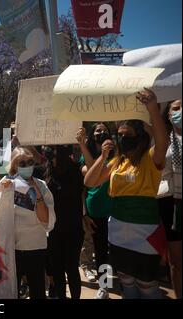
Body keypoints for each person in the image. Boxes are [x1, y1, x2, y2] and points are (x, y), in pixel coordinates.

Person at [85, 88, 169, 299]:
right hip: (118, 231)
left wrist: (152, 109)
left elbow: (162, 142)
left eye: (127, 135)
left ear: (139, 137)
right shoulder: (116, 162)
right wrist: (103, 155)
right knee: (127, 283)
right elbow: (90, 181)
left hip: (145, 231)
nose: (122, 138)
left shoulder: (151, 159)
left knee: (147, 285)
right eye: (119, 135)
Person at [0, 146, 55, 299]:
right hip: (12, 249)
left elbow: (47, 222)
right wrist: (3, 194)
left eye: (29, 162)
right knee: (12, 293)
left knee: (37, 291)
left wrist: (37, 193)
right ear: (14, 166)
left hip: (35, 247)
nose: (27, 166)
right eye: (22, 164)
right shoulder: (5, 183)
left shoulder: (42, 185)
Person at [76, 123, 114, 299]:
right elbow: (92, 176)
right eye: (98, 130)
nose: (102, 132)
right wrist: (83, 145)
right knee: (99, 249)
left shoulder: (116, 155)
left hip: (115, 212)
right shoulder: (86, 157)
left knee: (112, 250)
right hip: (95, 212)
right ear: (92, 135)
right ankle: (104, 286)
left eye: (104, 129)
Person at [45, 145, 84, 299]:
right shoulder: (47, 170)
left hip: (73, 228)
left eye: (52, 149)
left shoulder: (76, 170)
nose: (48, 152)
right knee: (57, 269)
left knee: (72, 268)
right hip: (54, 230)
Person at [157, 99, 181, 298]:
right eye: (176, 108)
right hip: (171, 203)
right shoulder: (162, 140)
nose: (180, 112)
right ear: (168, 114)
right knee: (176, 261)